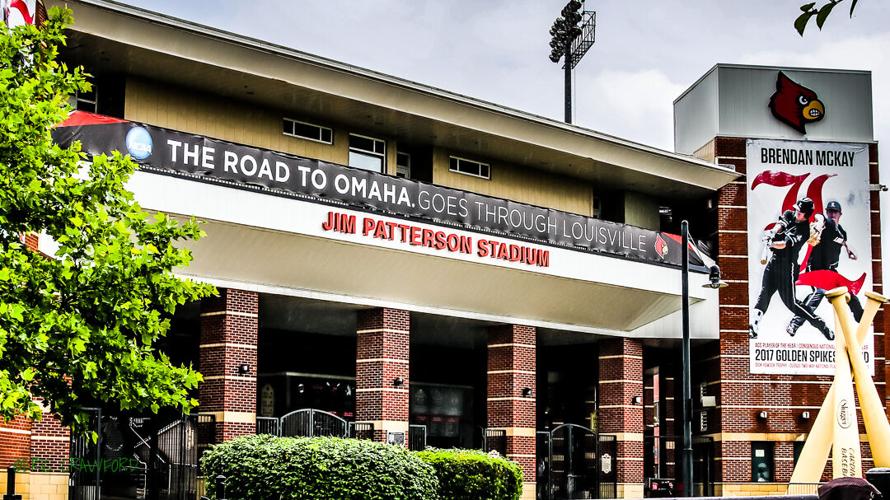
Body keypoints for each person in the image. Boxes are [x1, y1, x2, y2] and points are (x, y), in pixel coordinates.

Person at [749, 198, 833, 341]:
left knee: (792, 304)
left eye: (800, 212)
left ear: (806, 215)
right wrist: (771, 233)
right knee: (764, 294)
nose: (797, 213)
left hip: (787, 268)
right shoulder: (789, 214)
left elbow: (783, 244)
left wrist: (771, 244)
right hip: (774, 263)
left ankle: (820, 324)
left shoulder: (804, 230)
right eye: (797, 210)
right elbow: (779, 225)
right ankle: (754, 327)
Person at [787, 201, 861, 335]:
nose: (832, 214)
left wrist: (848, 248)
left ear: (840, 214)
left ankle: (861, 318)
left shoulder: (841, 232)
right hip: (815, 269)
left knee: (849, 292)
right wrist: (820, 222)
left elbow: (843, 240)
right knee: (819, 292)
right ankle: (794, 323)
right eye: (830, 211)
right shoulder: (826, 223)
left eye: (835, 212)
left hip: (830, 272)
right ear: (827, 212)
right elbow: (818, 217)